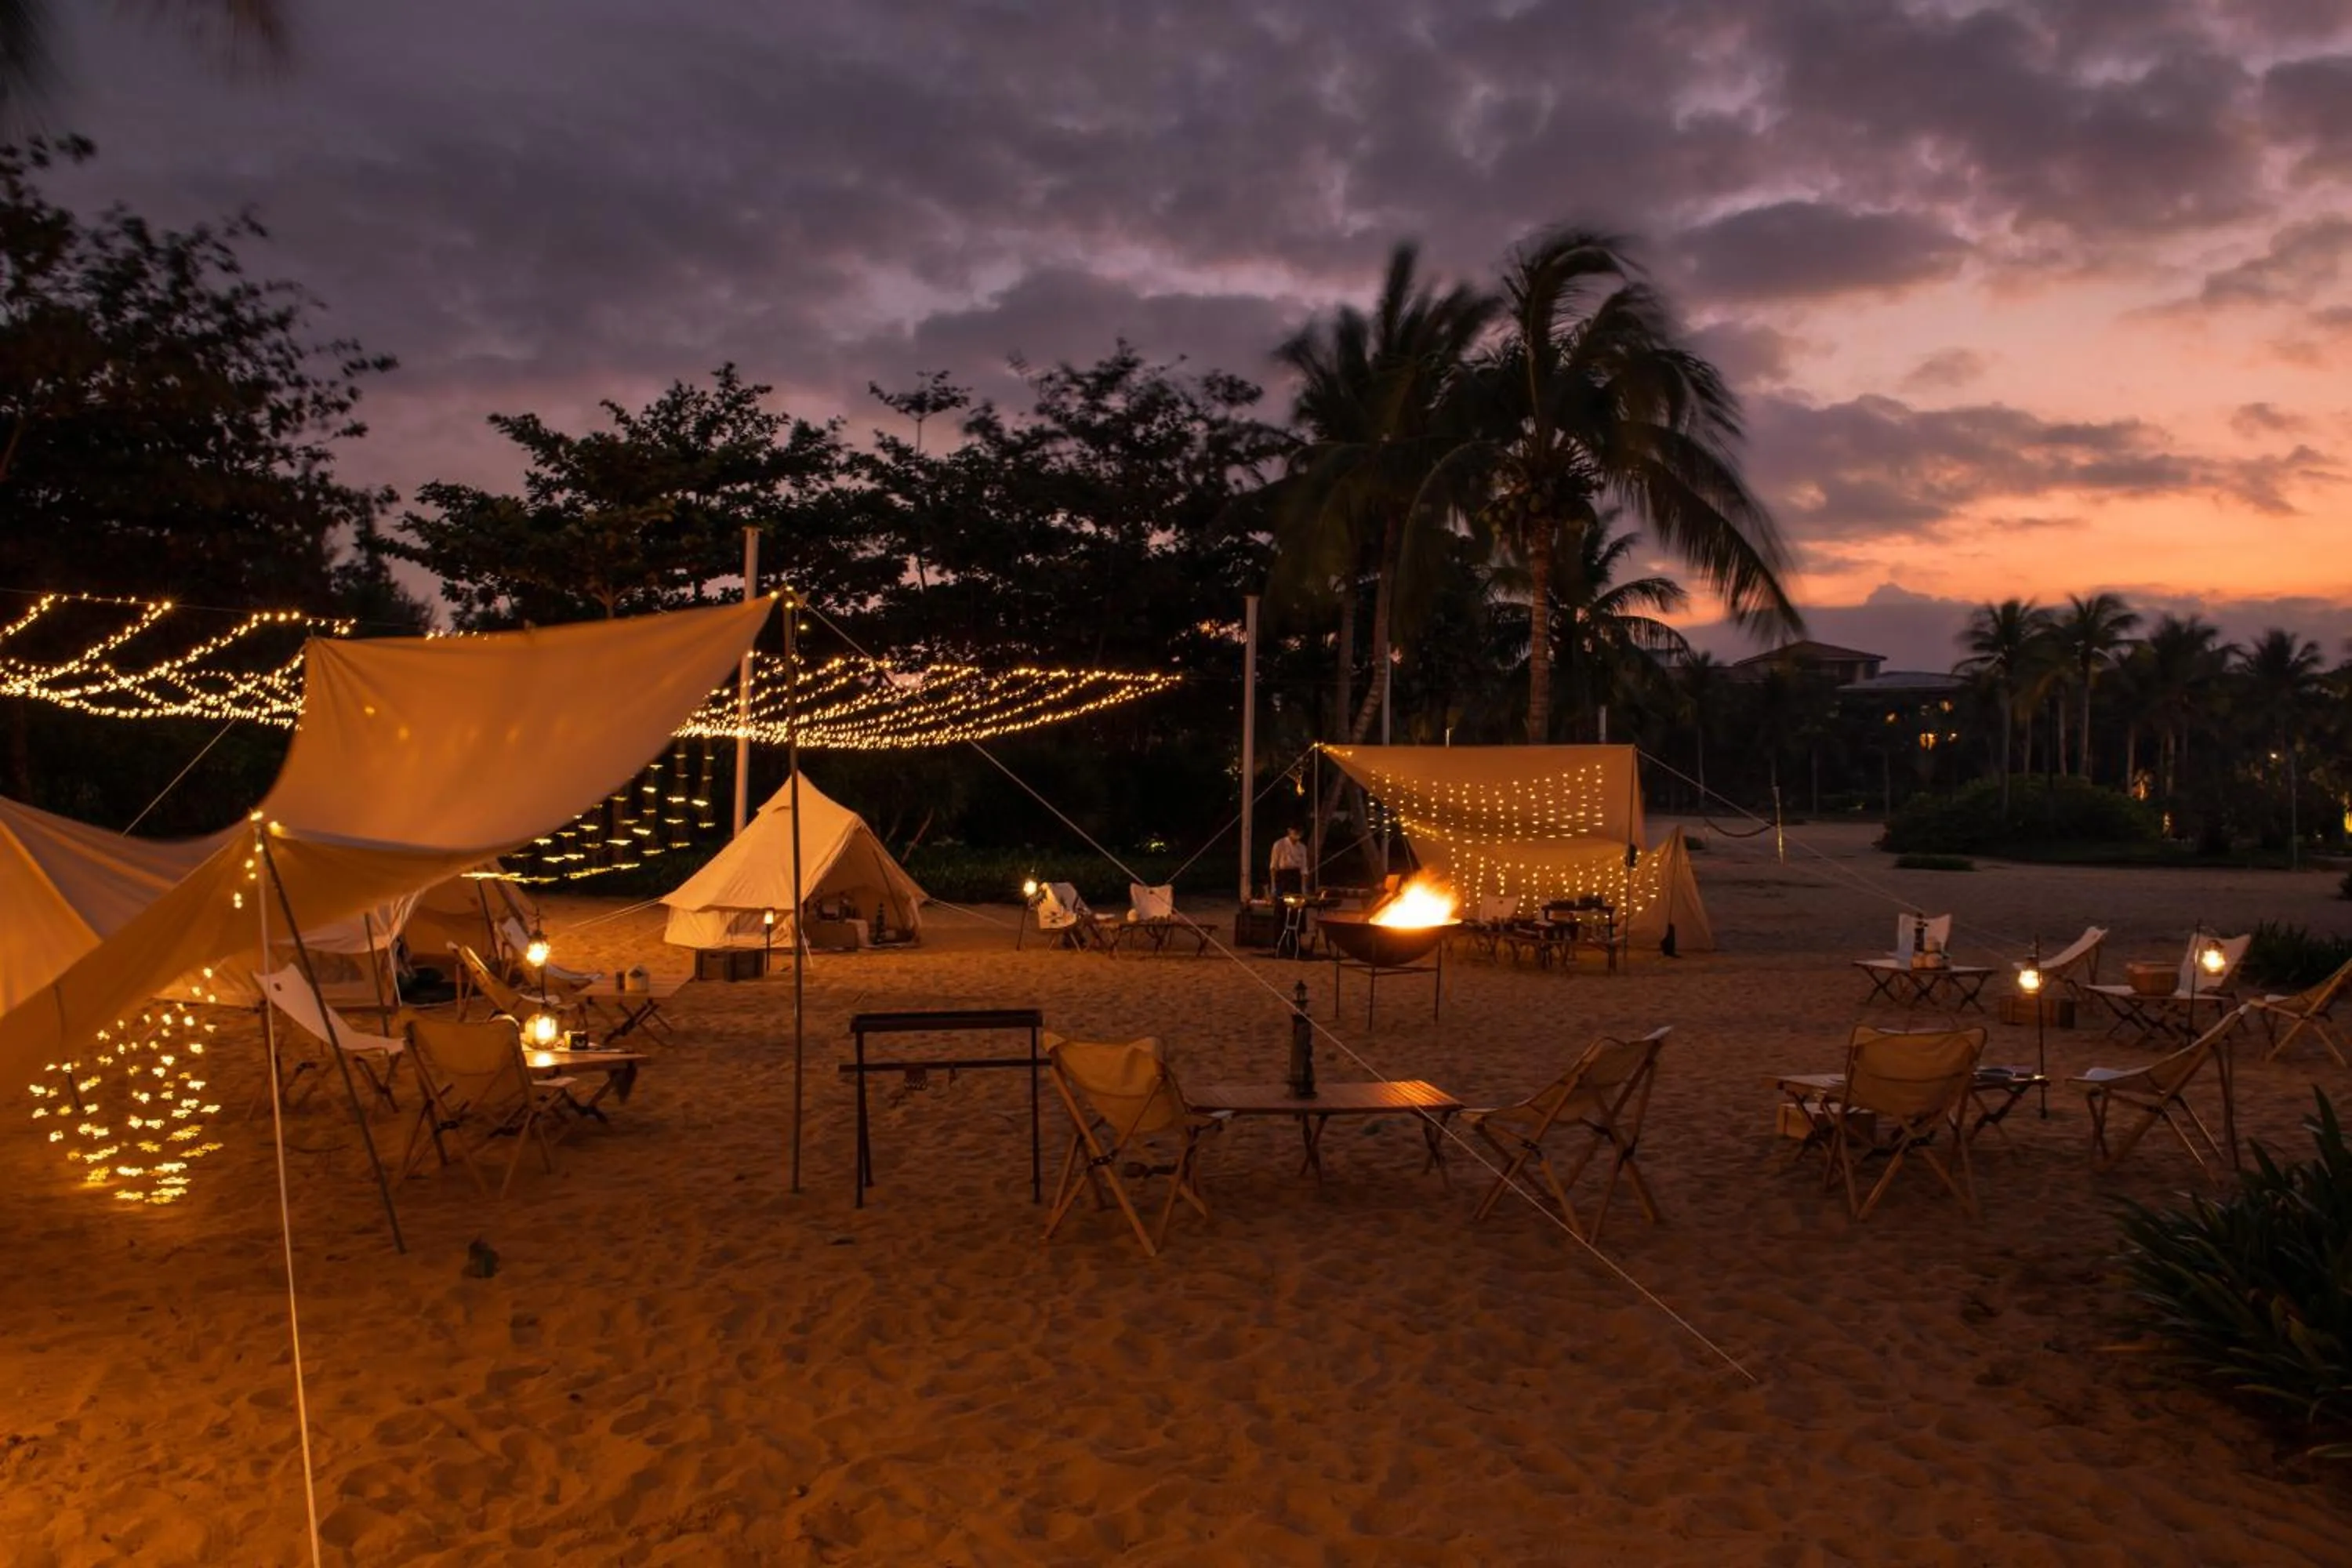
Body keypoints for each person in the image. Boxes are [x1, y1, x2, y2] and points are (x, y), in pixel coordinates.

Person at [1269, 825, 1309, 900]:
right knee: (1282, 903)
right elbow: (1273, 867)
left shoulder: (1302, 847)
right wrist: (1273, 887)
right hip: (1283, 876)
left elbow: (1304, 869)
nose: (1298, 834)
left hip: (1296, 877)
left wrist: (1304, 888)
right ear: (1289, 831)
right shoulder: (1279, 844)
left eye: (1300, 832)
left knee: (1297, 903)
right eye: (1296, 831)